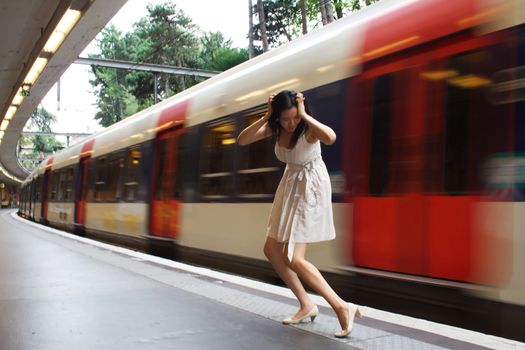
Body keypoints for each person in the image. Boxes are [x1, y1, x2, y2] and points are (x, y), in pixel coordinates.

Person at [237, 90, 362, 338]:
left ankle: (341, 306)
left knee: (293, 256)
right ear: (278, 118)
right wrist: (267, 116)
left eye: (294, 117)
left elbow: (331, 137)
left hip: (310, 187)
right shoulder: (276, 128)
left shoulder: (307, 129)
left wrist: (304, 114)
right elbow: (242, 140)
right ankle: (306, 304)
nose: (291, 123)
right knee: (272, 250)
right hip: (290, 185)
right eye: (285, 119)